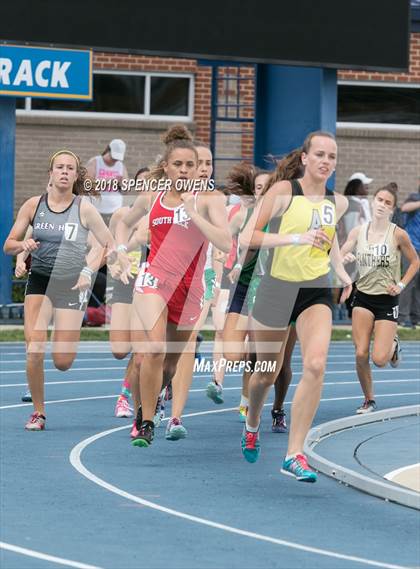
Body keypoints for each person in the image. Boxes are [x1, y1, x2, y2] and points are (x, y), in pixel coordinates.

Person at [239, 131, 352, 482]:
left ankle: (294, 453)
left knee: (315, 365)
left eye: (331, 157)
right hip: (276, 288)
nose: (326, 162)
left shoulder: (338, 201)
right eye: (319, 154)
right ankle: (253, 421)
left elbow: (329, 239)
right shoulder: (284, 192)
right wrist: (294, 238)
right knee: (265, 376)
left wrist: (342, 273)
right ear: (304, 158)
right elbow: (248, 237)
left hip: (315, 290)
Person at [115, 125, 231, 447]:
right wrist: (121, 252)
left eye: (190, 165)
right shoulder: (152, 196)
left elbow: (224, 240)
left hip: (190, 289)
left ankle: (156, 396)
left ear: (198, 169)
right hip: (154, 280)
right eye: (177, 164)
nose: (184, 170)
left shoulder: (209, 199)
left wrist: (195, 214)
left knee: (169, 365)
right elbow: (124, 222)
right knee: (152, 350)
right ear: (166, 166)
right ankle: (146, 419)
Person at [3, 150, 115, 430]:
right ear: (50, 173)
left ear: (76, 176)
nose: (64, 172)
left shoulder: (84, 209)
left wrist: (89, 270)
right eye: (59, 167)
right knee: (34, 349)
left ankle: (59, 334)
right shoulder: (33, 205)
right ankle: (38, 413)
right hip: (40, 281)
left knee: (63, 361)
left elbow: (109, 244)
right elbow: (8, 244)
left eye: (69, 168)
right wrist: (22, 248)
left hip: (71, 284)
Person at [222, 162, 297, 431]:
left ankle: (277, 409)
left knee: (282, 363)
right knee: (234, 354)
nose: (262, 193)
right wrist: (234, 263)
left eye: (267, 188)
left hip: (280, 290)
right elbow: (238, 242)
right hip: (246, 286)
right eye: (258, 188)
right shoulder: (248, 215)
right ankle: (251, 384)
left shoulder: (287, 215)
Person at [340, 185, 419, 413]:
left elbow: (415, 262)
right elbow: (342, 253)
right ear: (373, 202)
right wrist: (345, 257)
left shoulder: (398, 234)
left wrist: (402, 285)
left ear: (392, 209)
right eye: (380, 200)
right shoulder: (358, 231)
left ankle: (393, 345)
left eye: (387, 203)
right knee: (360, 352)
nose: (382, 205)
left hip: (386, 300)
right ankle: (368, 399)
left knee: (380, 359)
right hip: (362, 298)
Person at [86, 139, 128, 226]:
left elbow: (125, 190)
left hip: (115, 210)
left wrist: (121, 185)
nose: (115, 160)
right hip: (95, 210)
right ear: (108, 150)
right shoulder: (95, 162)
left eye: (117, 158)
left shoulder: (121, 166)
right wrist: (109, 182)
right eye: (113, 157)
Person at [399, 184, 420, 328]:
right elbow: (404, 208)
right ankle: (401, 317)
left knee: (418, 285)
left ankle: (416, 318)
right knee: (408, 282)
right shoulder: (415, 197)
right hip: (412, 247)